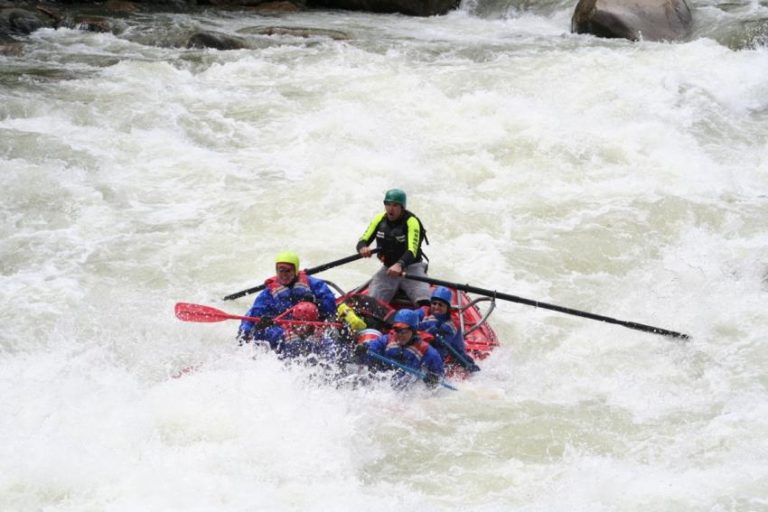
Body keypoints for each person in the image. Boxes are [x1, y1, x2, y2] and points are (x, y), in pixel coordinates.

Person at [236, 251, 337, 346]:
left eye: (288, 271)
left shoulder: (314, 285)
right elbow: (252, 316)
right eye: (281, 271)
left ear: (295, 271)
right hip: (283, 329)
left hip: (312, 326)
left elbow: (331, 305)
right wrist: (251, 330)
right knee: (270, 333)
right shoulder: (268, 294)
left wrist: (316, 302)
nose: (284, 275)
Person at [356, 188, 430, 306]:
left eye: (395, 205)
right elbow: (362, 241)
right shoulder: (379, 219)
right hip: (388, 270)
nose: (391, 209)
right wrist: (363, 248)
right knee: (371, 305)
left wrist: (400, 264)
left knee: (424, 302)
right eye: (388, 204)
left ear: (402, 207)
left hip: (412, 268)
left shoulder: (412, 221)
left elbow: (412, 250)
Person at [354, 309, 444, 389]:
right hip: (383, 384)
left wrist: (433, 380)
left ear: (413, 331)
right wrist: (363, 348)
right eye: (397, 330)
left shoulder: (427, 351)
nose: (399, 335)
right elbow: (372, 347)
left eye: (404, 332)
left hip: (406, 390)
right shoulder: (386, 340)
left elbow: (439, 377)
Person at [416, 286, 480, 372]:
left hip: (450, 352)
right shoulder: (424, 311)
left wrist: (429, 330)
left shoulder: (450, 325)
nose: (436, 307)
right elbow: (412, 317)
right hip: (430, 344)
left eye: (440, 305)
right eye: (434, 303)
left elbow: (440, 346)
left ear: (448, 308)